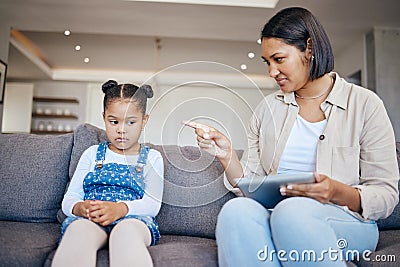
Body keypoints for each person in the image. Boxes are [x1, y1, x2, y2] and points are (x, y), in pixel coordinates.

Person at [184, 7, 399, 267]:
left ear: (308, 48)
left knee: (292, 211)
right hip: (276, 213)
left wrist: (335, 191)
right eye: (267, 62)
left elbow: (386, 195)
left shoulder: (365, 104)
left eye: (279, 59)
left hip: (346, 220)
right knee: (235, 211)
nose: (272, 72)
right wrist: (226, 154)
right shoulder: (267, 109)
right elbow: (249, 187)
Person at [52, 80, 164, 267]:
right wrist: (81, 208)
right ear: (104, 118)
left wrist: (120, 209)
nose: (121, 129)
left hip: (133, 221)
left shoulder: (153, 158)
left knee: (125, 233)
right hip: (92, 220)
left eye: (131, 122)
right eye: (114, 122)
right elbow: (70, 198)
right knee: (78, 231)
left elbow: (152, 204)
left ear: (144, 120)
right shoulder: (92, 154)